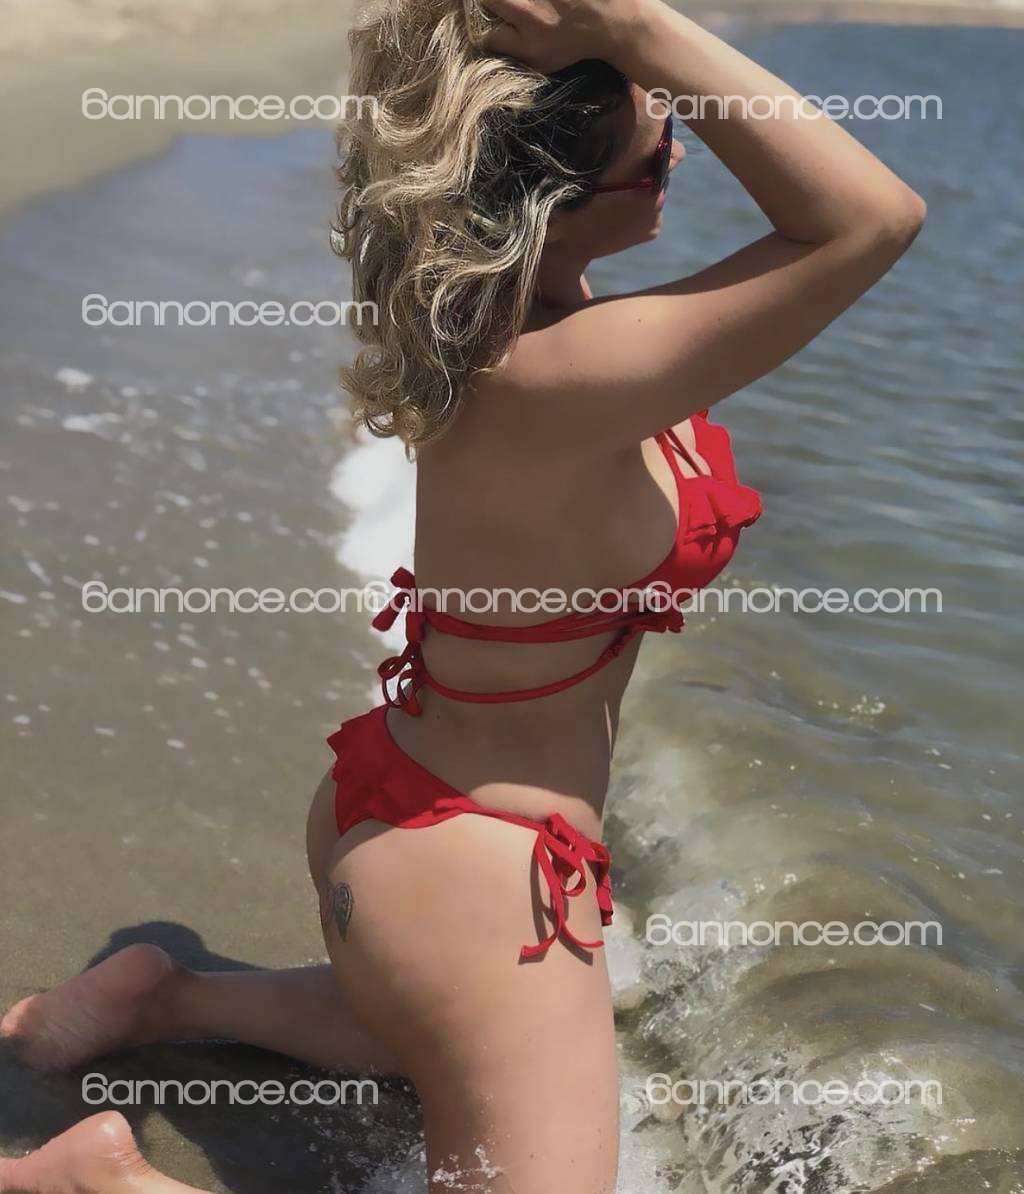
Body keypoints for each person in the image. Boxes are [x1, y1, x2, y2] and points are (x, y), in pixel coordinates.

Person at [0, 0, 925, 1190]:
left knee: (424, 1025)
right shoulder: (566, 370)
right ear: (553, 191)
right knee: (464, 1017)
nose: (683, 147)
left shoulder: (508, 317)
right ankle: (99, 1181)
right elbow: (868, 217)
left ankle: (165, 997)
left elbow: (824, 219)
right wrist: (636, 28)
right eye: (658, 144)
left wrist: (624, 57)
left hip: (403, 800)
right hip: (482, 880)